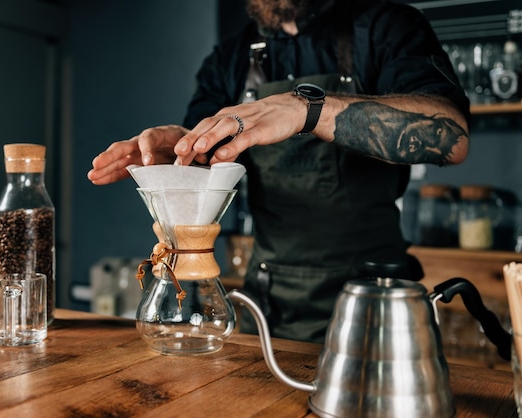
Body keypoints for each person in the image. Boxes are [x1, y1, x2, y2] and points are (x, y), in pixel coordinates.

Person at [88, 0, 470, 344]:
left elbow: (451, 137)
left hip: (374, 297)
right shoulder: (231, 58)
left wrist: (307, 111)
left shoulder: (387, 27)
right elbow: (204, 159)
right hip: (266, 305)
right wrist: (182, 147)